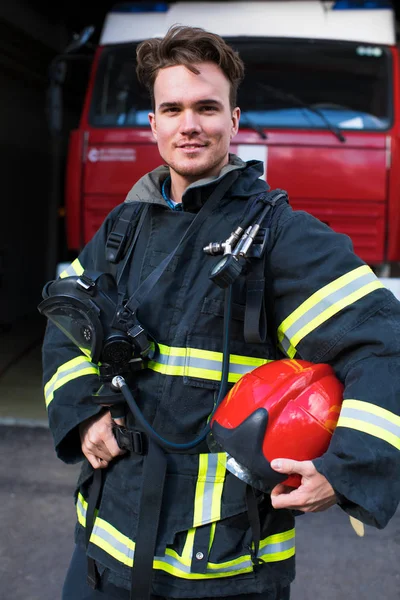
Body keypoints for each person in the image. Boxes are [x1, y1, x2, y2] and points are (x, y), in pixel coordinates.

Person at [41, 25, 400, 600]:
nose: (190, 125)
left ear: (234, 121)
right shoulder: (121, 230)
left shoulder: (282, 238)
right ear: (153, 123)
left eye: (207, 107)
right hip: (104, 551)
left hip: (226, 566)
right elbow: (67, 323)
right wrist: (84, 411)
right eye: (172, 108)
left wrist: (346, 466)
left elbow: (384, 343)